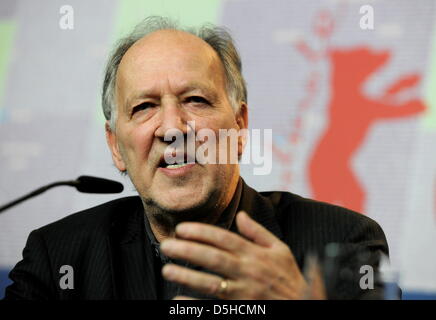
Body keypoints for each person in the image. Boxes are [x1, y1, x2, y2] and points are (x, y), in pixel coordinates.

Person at [4, 16, 390, 300]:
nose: (172, 127)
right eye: (144, 107)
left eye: (195, 100)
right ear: (116, 147)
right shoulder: (59, 259)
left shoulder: (342, 242)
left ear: (239, 126)